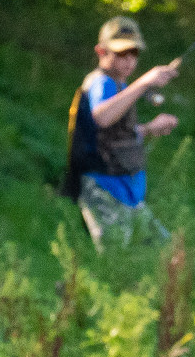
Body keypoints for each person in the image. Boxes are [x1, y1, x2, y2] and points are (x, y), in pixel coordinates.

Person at [59, 15, 180, 248]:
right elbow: (102, 117)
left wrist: (149, 129)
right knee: (116, 261)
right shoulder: (99, 83)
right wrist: (144, 83)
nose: (129, 61)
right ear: (101, 52)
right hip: (103, 188)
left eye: (133, 54)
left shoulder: (120, 86)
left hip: (127, 192)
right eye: (121, 54)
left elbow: (115, 134)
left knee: (165, 253)